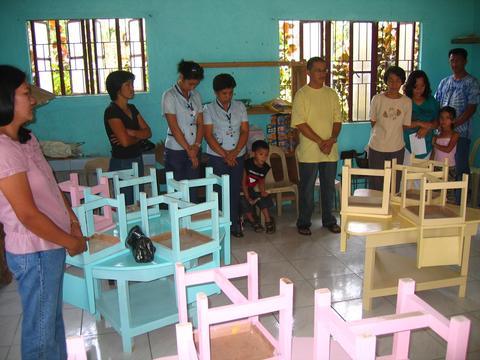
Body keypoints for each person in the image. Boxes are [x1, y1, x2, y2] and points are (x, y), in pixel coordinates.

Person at [0, 65, 88, 359]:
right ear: (5, 100)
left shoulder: (26, 139)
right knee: (40, 331)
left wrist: (72, 220)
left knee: (51, 321)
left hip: (50, 244)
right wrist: (69, 241)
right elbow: (28, 215)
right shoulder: (2, 150)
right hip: (34, 251)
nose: (34, 99)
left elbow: (50, 183)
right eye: (26, 94)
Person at [291, 57, 342, 235]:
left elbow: (337, 120)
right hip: (310, 151)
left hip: (330, 149)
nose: (322, 73)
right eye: (318, 70)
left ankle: (329, 220)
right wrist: (321, 142)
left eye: (324, 70)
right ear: (308, 72)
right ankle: (304, 222)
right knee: (307, 188)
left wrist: (331, 139)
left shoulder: (331, 94)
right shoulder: (302, 94)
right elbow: (300, 124)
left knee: (328, 187)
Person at [204, 74, 249, 237]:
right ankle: (220, 227)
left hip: (237, 154)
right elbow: (208, 135)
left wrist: (235, 152)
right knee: (219, 191)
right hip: (217, 157)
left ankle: (234, 225)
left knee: (234, 190)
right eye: (224, 93)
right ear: (216, 93)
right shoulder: (208, 109)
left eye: (231, 93)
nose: (228, 97)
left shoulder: (240, 107)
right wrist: (225, 155)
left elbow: (244, 131)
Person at [435, 48, 480, 203]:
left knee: (459, 169)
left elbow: (472, 108)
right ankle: (441, 202)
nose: (454, 63)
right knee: (440, 170)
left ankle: (459, 204)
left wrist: (452, 126)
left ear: (465, 61)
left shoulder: (471, 82)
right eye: (452, 60)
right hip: (442, 135)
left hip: (460, 135)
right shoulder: (444, 82)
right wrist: (440, 126)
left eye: (458, 60)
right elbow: (437, 104)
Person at [104, 70, 152, 205]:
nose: (132, 88)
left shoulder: (132, 108)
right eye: (128, 85)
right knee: (127, 203)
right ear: (117, 88)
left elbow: (148, 132)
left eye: (132, 84)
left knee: (138, 201)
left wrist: (133, 133)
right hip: (122, 162)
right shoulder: (112, 111)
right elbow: (125, 142)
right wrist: (138, 137)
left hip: (137, 158)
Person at [162, 60, 204, 202]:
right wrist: (189, 150)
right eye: (190, 84)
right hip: (176, 150)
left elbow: (200, 123)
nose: (192, 87)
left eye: (195, 84)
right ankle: (177, 223)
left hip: (194, 147)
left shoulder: (196, 96)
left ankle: (191, 221)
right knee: (177, 190)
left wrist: (197, 146)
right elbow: (174, 128)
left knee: (192, 187)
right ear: (181, 77)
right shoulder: (169, 96)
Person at [368, 65, 412, 191]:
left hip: (397, 148)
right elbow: (373, 122)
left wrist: (392, 134)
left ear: (402, 82)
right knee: (376, 183)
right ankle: (376, 210)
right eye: (391, 80)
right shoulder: (377, 99)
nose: (394, 84)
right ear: (386, 81)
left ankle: (391, 210)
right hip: (377, 147)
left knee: (394, 184)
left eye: (398, 80)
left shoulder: (406, 102)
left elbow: (405, 125)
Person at [403, 70, 439, 162]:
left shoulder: (431, 101)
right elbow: (401, 124)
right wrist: (420, 123)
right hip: (407, 146)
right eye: (415, 87)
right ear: (410, 86)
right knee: (406, 174)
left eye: (422, 86)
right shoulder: (405, 101)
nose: (419, 90)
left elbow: (438, 121)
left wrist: (427, 128)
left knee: (425, 174)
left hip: (428, 145)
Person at [240, 140, 275, 234]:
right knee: (244, 201)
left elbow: (261, 180)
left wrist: (263, 191)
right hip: (241, 189)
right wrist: (248, 198)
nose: (264, 157)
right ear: (254, 153)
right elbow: (243, 183)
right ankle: (253, 221)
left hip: (250, 189)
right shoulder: (247, 164)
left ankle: (268, 221)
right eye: (261, 154)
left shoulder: (265, 167)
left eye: (266, 155)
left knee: (262, 198)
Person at [432, 106, 459, 193]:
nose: (444, 120)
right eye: (442, 118)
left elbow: (448, 149)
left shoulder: (455, 134)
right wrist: (430, 162)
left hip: (449, 167)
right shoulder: (437, 134)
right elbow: (434, 151)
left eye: (447, 118)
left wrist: (435, 144)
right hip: (436, 166)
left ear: (453, 120)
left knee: (448, 191)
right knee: (435, 191)